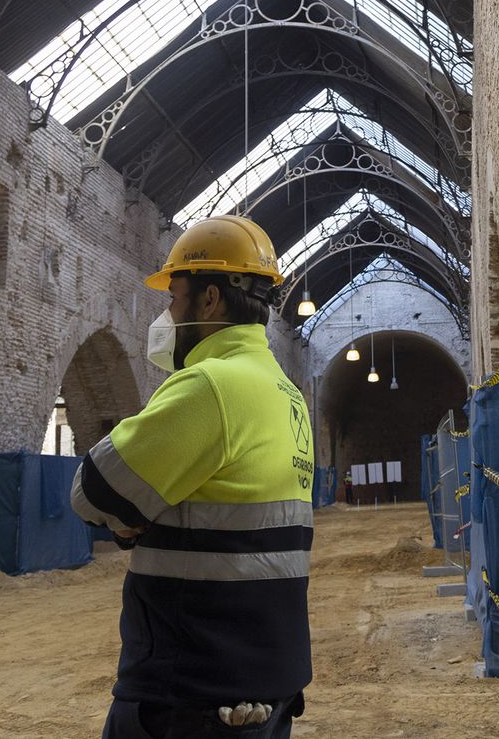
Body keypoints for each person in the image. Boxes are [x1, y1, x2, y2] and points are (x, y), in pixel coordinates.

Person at [72, 215, 315, 739]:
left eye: (173, 297)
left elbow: (92, 493)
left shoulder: (210, 384)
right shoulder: (286, 394)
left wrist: (134, 519)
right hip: (264, 680)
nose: (167, 314)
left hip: (191, 687)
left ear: (209, 300)